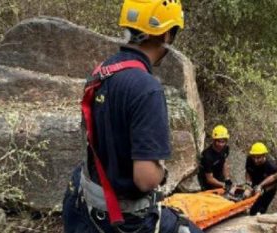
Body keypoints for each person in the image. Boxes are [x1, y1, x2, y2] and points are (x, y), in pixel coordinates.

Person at [62, 0, 203, 232]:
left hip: (84, 203)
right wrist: (162, 172)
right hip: (120, 218)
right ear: (167, 34)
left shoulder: (103, 71)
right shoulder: (147, 89)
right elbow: (146, 179)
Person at [243, 142, 277, 215]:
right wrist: (248, 184)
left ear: (264, 155)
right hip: (255, 182)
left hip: (268, 189)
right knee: (248, 201)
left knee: (259, 209)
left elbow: (276, 183)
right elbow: (248, 172)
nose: (255, 160)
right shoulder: (250, 159)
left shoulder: (271, 166)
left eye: (258, 158)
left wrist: (264, 189)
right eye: (254, 157)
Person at [197, 125, 232, 191]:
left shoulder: (226, 148)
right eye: (218, 141)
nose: (221, 144)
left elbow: (224, 162)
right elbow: (209, 179)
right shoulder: (207, 156)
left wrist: (227, 179)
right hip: (207, 181)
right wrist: (223, 185)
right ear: (214, 140)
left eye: (223, 142)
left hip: (219, 175)